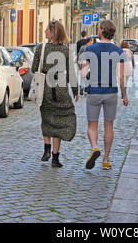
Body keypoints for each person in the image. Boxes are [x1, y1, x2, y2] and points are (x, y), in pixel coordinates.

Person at [81, 20, 129, 170]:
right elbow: (121, 77)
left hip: (94, 92)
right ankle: (106, 159)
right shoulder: (118, 51)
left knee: (92, 125)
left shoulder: (91, 49)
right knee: (109, 126)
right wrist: (125, 95)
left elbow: (83, 71)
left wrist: (88, 73)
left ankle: (95, 148)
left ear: (101, 30)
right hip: (111, 92)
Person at [32, 20, 79, 168]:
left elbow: (34, 68)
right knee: (59, 122)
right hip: (60, 88)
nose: (45, 31)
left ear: (53, 33)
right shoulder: (65, 50)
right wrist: (76, 91)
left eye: (47, 30)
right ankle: (55, 158)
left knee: (46, 119)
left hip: (44, 88)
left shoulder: (41, 48)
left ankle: (46, 149)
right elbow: (71, 72)